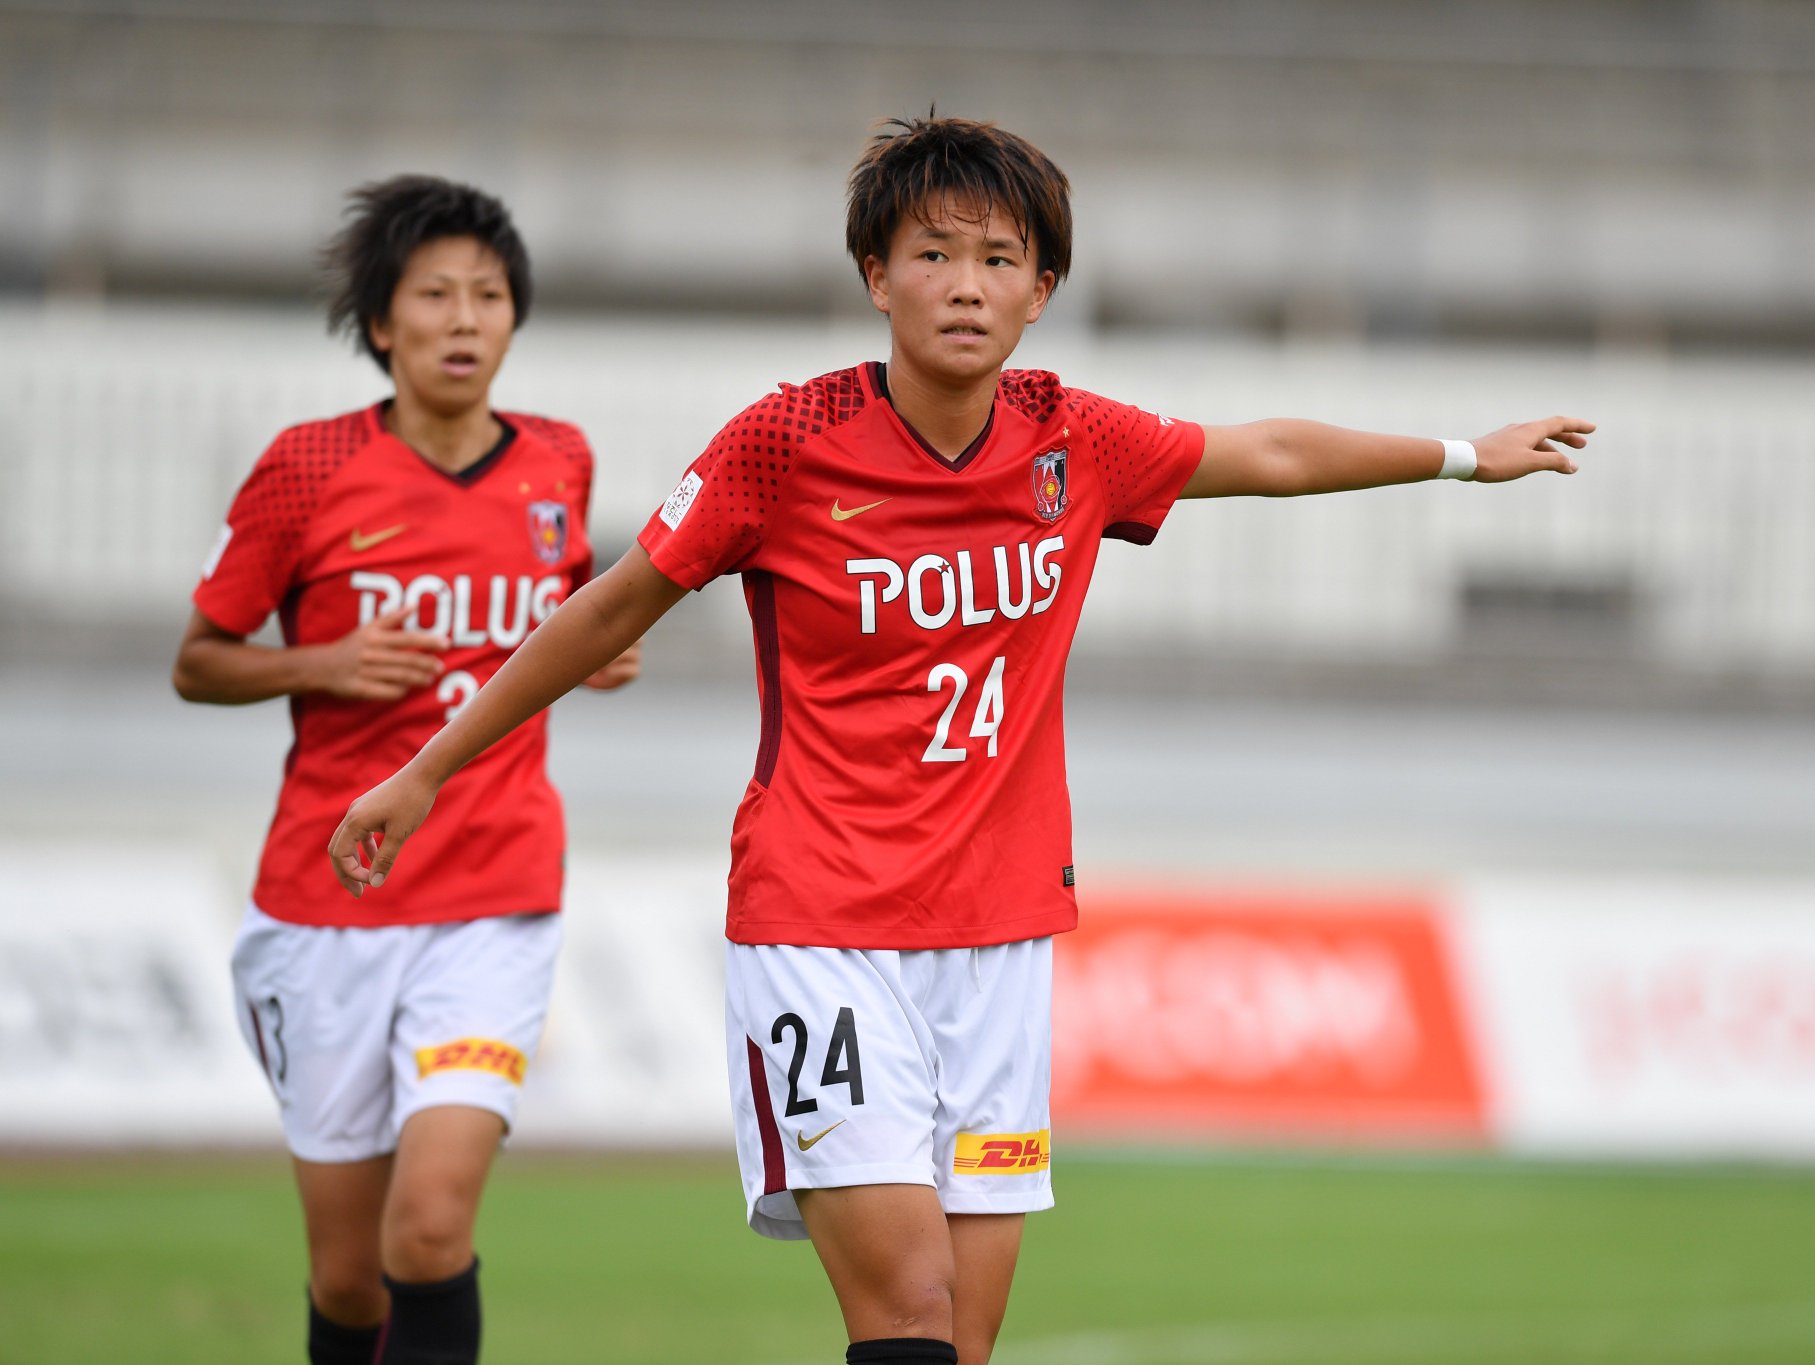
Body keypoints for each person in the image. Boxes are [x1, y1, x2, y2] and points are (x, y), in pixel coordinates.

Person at [326, 118, 1592, 1365]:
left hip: (999, 942)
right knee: (908, 1306)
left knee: (964, 1338)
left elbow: (1262, 453)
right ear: (875, 276)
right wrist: (426, 769)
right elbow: (608, 607)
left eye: (998, 259)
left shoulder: (1072, 438)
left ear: (1041, 290)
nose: (965, 286)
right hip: (821, 929)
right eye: (932, 254)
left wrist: (1463, 458)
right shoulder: (782, 444)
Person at [175, 173, 639, 1365]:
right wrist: (321, 663)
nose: (464, 318)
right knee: (348, 1279)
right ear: (381, 321)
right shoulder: (307, 467)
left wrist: (593, 659)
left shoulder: (559, 460)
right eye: (435, 294)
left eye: (488, 294)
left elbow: (566, 622)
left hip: (494, 894)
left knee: (427, 1228)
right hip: (325, 902)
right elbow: (198, 662)